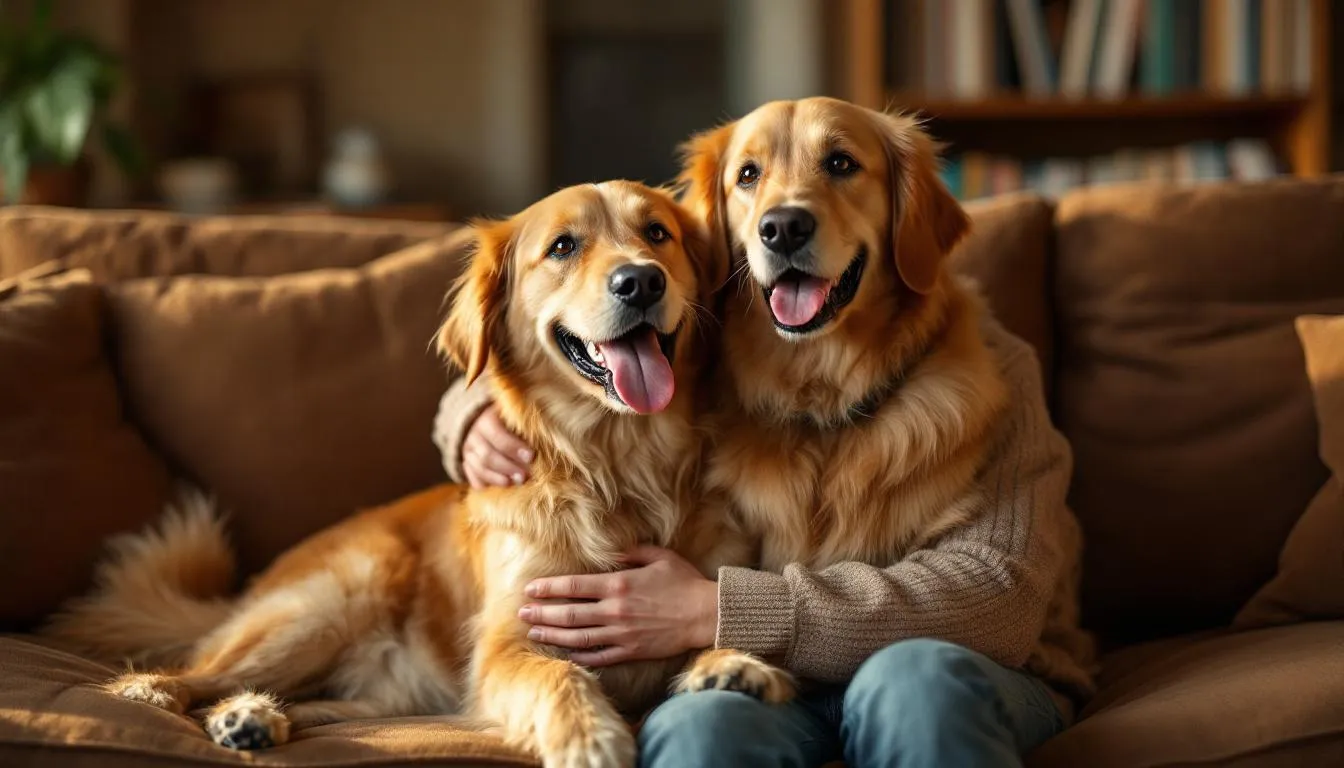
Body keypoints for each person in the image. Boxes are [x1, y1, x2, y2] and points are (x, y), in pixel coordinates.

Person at [431, 325, 1095, 768]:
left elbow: (1000, 604)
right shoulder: (716, 349)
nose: (788, 210)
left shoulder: (997, 363)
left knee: (911, 683)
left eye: (839, 168)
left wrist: (713, 610)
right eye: (750, 180)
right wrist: (473, 412)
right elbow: (572, 324)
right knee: (701, 729)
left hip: (970, 674)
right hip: (769, 684)